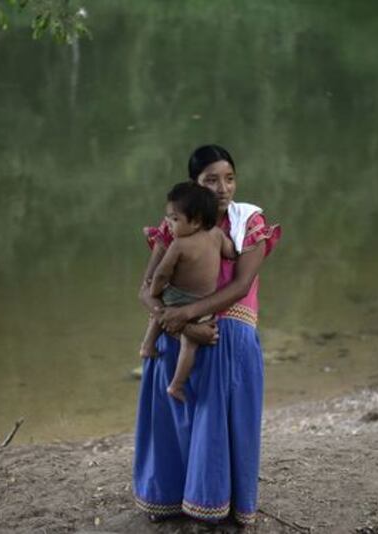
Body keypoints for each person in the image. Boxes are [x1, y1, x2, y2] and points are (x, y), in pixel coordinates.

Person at [133, 144, 282, 525]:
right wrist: (180, 321)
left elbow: (241, 285)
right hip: (180, 327)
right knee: (170, 395)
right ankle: (167, 500)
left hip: (227, 330)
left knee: (217, 412)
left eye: (229, 178)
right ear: (194, 183)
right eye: (211, 180)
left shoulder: (248, 220)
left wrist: (186, 315)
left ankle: (219, 504)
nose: (223, 188)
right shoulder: (178, 221)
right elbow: (146, 288)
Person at [139, 182, 237, 402]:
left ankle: (148, 345)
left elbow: (162, 273)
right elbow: (231, 252)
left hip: (177, 297)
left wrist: (155, 290)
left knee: (160, 311)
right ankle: (177, 384)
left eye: (174, 220)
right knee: (189, 345)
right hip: (202, 304)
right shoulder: (217, 235)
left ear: (196, 221)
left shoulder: (179, 245)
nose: (169, 225)